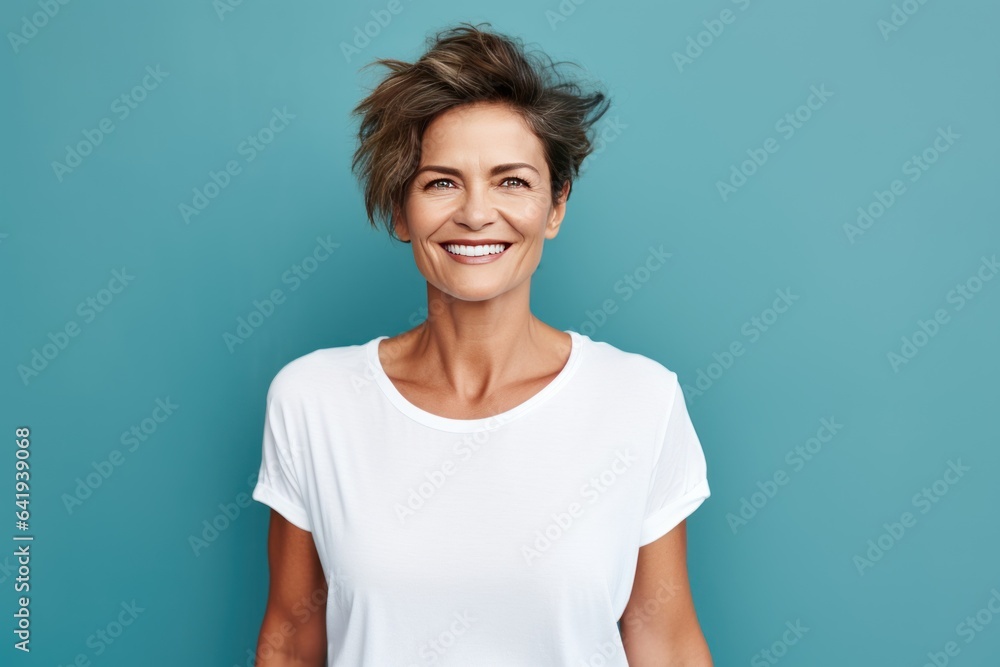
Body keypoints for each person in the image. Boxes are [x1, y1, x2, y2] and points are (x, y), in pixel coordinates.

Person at [250, 21, 713, 666]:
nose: (475, 213)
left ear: (555, 207)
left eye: (512, 181)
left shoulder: (640, 399)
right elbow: (292, 645)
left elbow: (665, 644)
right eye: (441, 182)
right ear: (399, 210)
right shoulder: (313, 400)